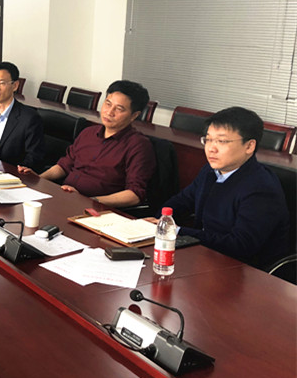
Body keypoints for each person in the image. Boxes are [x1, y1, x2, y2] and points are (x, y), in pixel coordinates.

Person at [162, 107, 290, 269]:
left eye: (221, 141)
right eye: (208, 140)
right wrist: (159, 221)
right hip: (207, 257)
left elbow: (240, 245)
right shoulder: (210, 172)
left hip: (245, 271)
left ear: (249, 146)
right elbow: (182, 201)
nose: (211, 148)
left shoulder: (261, 188)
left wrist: (177, 231)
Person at [39, 80, 155, 208]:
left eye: (119, 109)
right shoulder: (88, 133)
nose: (109, 112)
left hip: (96, 209)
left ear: (134, 115)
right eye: (108, 104)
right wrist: (37, 179)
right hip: (65, 198)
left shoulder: (138, 146)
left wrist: (88, 201)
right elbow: (64, 165)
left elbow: (134, 195)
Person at [0, 62, 45, 172]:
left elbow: (34, 158)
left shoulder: (29, 119)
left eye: (2, 83)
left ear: (15, 86)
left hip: (14, 176)